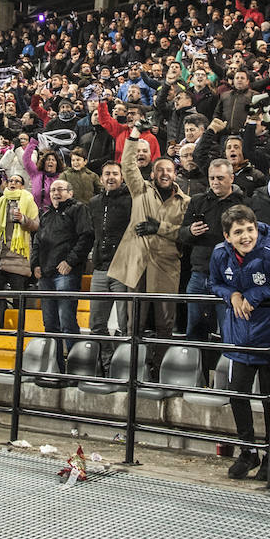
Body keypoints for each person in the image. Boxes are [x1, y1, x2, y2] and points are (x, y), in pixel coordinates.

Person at [208, 205, 270, 480]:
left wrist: (259, 293)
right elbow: (212, 284)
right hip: (240, 340)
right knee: (238, 395)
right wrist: (232, 295)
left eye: (250, 229)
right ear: (227, 236)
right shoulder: (218, 254)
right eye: (238, 232)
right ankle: (248, 451)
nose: (246, 236)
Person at [108, 130, 189, 374]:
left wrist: (160, 227)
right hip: (138, 263)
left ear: (175, 174)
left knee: (165, 323)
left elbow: (187, 234)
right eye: (160, 170)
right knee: (135, 323)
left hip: (167, 266)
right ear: (153, 174)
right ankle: (134, 369)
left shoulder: (185, 201)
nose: (165, 174)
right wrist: (133, 137)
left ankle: (159, 369)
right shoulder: (141, 189)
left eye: (169, 170)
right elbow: (127, 163)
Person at [180, 158, 248, 345]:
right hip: (199, 273)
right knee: (194, 331)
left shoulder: (243, 205)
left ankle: (228, 373)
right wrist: (190, 231)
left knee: (230, 330)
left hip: (230, 276)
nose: (215, 182)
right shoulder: (197, 201)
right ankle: (194, 373)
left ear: (231, 178)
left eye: (220, 178)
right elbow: (182, 234)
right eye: (212, 178)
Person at [31, 179, 93, 370]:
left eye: (60, 190)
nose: (56, 193)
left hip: (66, 272)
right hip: (46, 274)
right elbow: (37, 241)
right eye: (53, 190)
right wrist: (35, 264)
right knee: (50, 324)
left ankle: (75, 368)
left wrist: (70, 261)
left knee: (67, 321)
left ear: (70, 193)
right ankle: (56, 366)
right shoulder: (46, 213)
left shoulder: (78, 209)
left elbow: (87, 236)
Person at [86, 161, 132, 369]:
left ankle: (123, 367)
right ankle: (106, 363)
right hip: (100, 269)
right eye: (107, 174)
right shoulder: (94, 201)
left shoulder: (131, 200)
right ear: (101, 178)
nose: (111, 177)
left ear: (122, 177)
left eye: (115, 173)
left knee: (125, 324)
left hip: (122, 268)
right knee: (96, 323)